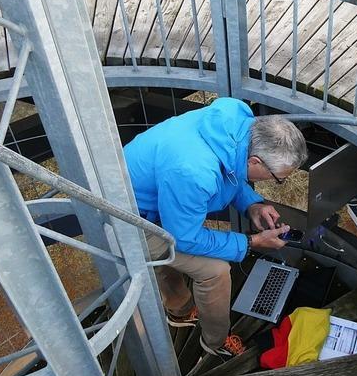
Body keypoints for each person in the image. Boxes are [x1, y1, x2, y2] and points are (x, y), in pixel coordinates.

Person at [123, 97, 308, 358]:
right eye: (277, 179)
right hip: (126, 219)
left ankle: (179, 308)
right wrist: (251, 243)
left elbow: (231, 170)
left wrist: (252, 204)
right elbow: (184, 238)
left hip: (153, 196)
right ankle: (215, 341)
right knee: (216, 271)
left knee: (171, 257)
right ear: (255, 161)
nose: (275, 182)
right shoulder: (194, 171)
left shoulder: (237, 119)